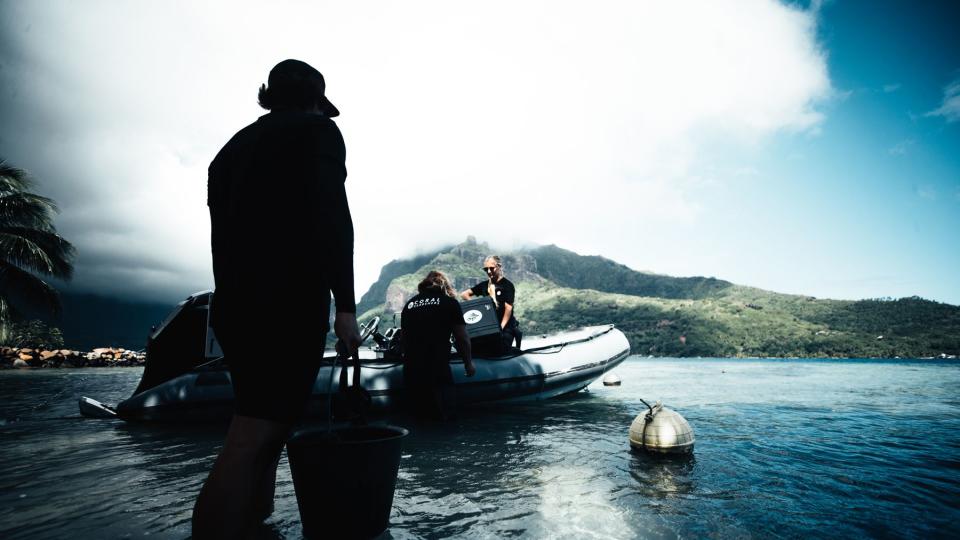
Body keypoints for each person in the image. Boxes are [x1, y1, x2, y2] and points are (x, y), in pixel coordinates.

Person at [194, 59, 362, 539]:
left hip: (235, 306)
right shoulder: (317, 133)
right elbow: (333, 218)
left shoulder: (228, 152)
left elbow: (220, 240)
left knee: (267, 428)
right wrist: (345, 308)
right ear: (314, 100)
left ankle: (252, 527)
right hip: (285, 306)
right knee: (252, 436)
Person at [401, 270, 475, 419]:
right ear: (444, 285)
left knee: (419, 419)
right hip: (437, 369)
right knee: (444, 418)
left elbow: (404, 338)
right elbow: (462, 337)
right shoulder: (449, 303)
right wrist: (468, 363)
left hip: (411, 370)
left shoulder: (409, 305)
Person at [460, 255, 521, 352]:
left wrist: (500, 328)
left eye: (491, 268)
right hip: (489, 328)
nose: (489, 272)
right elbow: (464, 294)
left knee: (500, 349)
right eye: (486, 269)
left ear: (499, 267)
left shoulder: (507, 285)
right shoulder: (483, 285)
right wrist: (479, 306)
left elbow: (508, 309)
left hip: (505, 327)